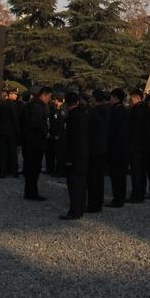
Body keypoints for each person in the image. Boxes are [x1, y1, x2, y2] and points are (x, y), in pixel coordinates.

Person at [60, 92, 89, 221]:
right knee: (82, 184)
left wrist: (68, 159)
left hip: (74, 156)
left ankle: (74, 211)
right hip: (84, 154)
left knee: (74, 185)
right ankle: (80, 208)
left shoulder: (71, 118)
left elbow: (71, 141)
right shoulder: (84, 114)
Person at [23, 86, 52, 201]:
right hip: (35, 141)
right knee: (34, 168)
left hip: (31, 141)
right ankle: (32, 192)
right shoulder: (37, 107)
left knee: (31, 168)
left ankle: (29, 191)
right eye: (49, 97)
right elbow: (37, 123)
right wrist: (46, 132)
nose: (49, 100)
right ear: (43, 95)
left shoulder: (31, 105)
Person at [87, 88, 109, 213]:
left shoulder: (93, 112)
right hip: (104, 147)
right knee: (100, 178)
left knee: (93, 179)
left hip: (94, 148)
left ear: (94, 98)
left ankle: (93, 204)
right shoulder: (108, 110)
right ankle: (98, 202)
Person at [106, 88, 130, 208]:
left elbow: (112, 130)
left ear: (115, 98)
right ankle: (120, 197)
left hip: (116, 147)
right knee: (121, 176)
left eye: (111, 97)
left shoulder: (115, 111)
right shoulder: (125, 111)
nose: (110, 100)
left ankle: (118, 198)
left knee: (116, 175)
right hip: (124, 147)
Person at [128, 88, 147, 203]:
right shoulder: (146, 108)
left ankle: (137, 194)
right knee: (142, 170)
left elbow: (133, 128)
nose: (130, 101)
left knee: (136, 171)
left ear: (136, 98)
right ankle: (141, 191)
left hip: (136, 144)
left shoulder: (136, 110)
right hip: (144, 144)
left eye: (131, 99)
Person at [0, 87, 21, 177]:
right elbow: (15, 119)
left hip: (3, 131)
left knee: (3, 152)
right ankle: (14, 171)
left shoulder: (2, 104)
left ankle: (3, 172)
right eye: (14, 94)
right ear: (10, 94)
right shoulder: (13, 105)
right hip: (11, 132)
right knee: (12, 152)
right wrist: (18, 131)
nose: (16, 96)